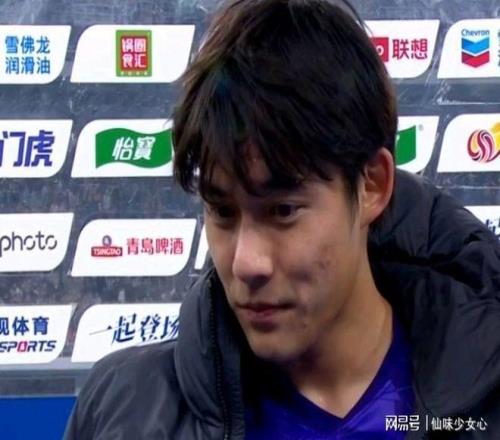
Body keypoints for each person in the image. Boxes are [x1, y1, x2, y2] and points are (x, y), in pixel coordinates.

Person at [64, 0, 500, 438]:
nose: (246, 263)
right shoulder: (122, 410)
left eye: (282, 211)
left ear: (371, 186)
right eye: (222, 211)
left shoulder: (484, 400)